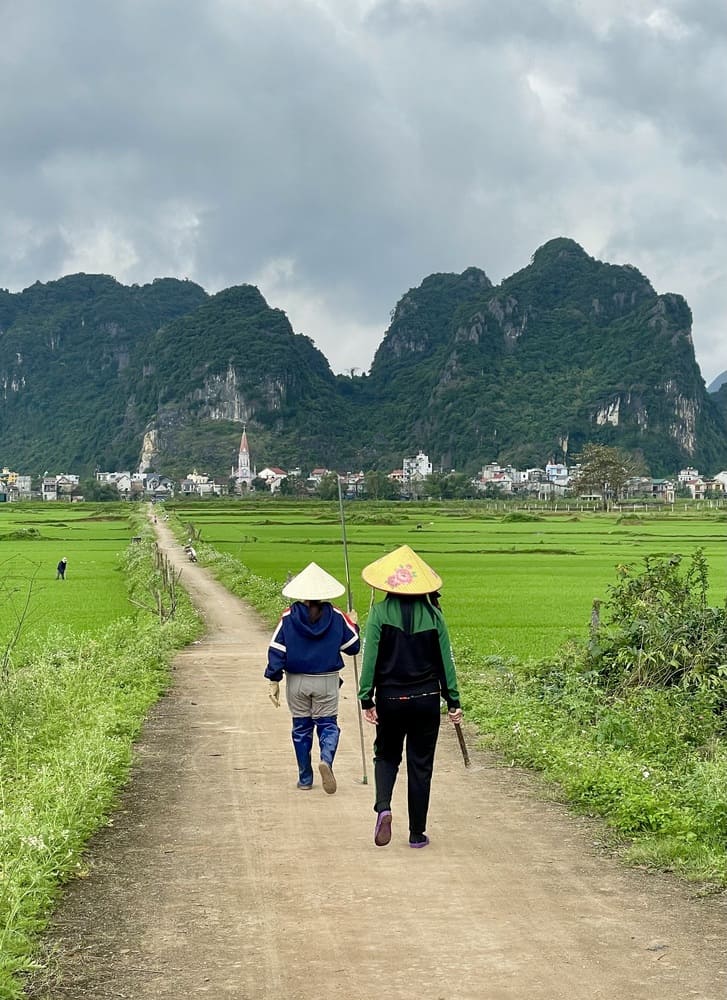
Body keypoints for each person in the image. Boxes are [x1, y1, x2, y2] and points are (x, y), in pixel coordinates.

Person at [358, 545, 462, 848]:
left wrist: (366, 698)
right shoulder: (434, 615)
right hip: (426, 699)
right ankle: (417, 833)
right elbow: (446, 662)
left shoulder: (379, 613)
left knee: (386, 755)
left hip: (390, 699)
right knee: (421, 765)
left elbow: (370, 658)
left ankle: (383, 807)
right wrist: (453, 701)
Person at [265, 562, 360, 793]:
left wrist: (274, 679)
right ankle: (326, 759)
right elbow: (353, 647)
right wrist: (354, 624)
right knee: (328, 725)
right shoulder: (337, 616)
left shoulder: (288, 617)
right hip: (326, 680)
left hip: (297, 680)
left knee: (301, 728)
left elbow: (277, 650)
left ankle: (305, 778)